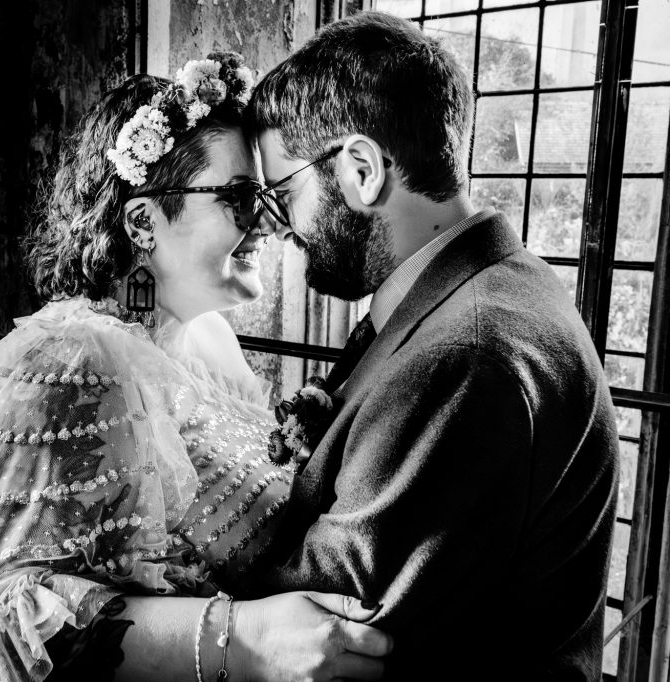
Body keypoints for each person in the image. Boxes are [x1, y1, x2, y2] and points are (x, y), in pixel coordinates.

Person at [0, 53, 392, 682]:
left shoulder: (211, 339)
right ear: (143, 221)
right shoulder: (70, 361)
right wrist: (241, 640)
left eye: (271, 199)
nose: (269, 226)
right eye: (242, 199)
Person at [241, 10, 620, 679]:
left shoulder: (468, 354)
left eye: (284, 193)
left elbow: (327, 629)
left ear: (361, 169)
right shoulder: (474, 290)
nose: (278, 228)